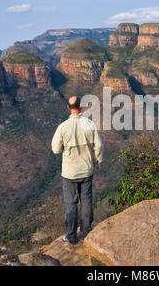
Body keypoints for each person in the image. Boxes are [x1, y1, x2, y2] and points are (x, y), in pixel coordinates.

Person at [51, 96, 103, 245]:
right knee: (86, 201)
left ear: (68, 107)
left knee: (71, 204)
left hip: (69, 173)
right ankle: (87, 231)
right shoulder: (90, 124)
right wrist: (96, 160)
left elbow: (55, 149)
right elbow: (99, 147)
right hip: (86, 170)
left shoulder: (62, 127)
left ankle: (72, 236)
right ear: (80, 107)